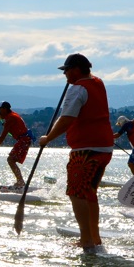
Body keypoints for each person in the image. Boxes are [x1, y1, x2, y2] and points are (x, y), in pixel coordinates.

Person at [39, 53, 113, 253]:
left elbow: (66, 119)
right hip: (104, 147)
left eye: (67, 70)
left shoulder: (78, 88)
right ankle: (94, 238)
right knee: (89, 193)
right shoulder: (98, 83)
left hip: (86, 149)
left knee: (76, 193)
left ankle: (86, 240)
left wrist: (48, 139)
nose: (65, 75)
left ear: (77, 69)